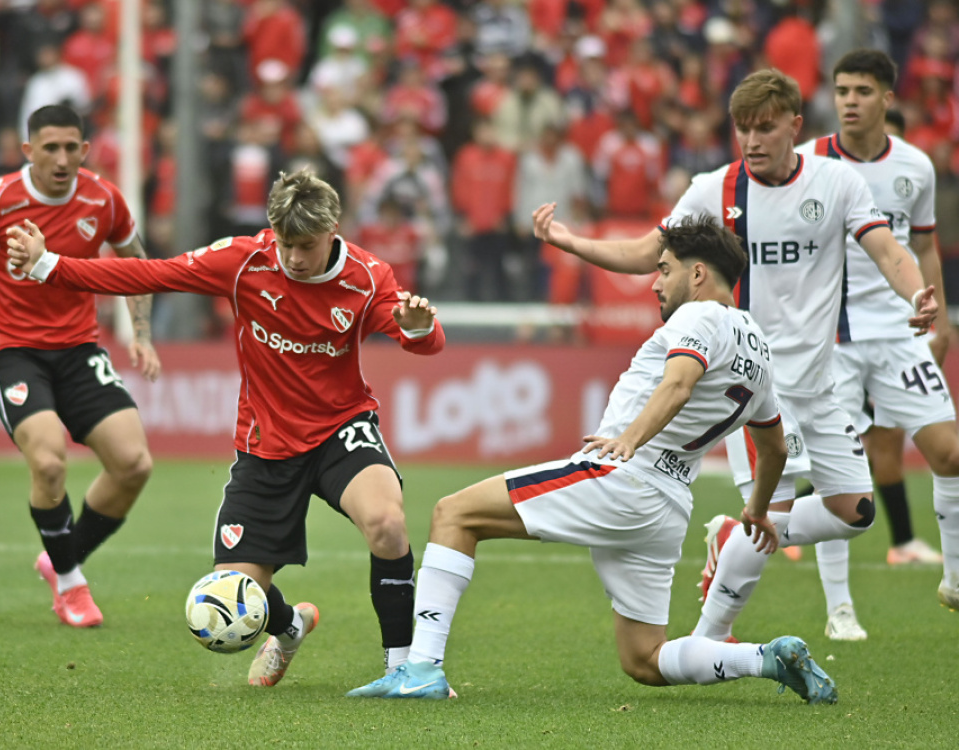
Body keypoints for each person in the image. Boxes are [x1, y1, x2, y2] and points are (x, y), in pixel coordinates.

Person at [346, 215, 837, 705]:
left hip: (625, 478)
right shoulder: (759, 347)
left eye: (665, 269)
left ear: (698, 274)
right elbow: (773, 447)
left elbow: (679, 384)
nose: (656, 283)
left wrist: (629, 439)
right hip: (668, 504)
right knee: (644, 658)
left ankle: (421, 667)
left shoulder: (700, 316)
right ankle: (765, 658)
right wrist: (757, 510)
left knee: (454, 514)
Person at [530, 68, 939, 644]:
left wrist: (916, 294)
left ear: (794, 126)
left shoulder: (836, 182)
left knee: (854, 513)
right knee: (770, 514)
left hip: (819, 383)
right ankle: (709, 636)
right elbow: (648, 252)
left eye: (765, 128)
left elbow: (889, 251)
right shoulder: (714, 188)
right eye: (743, 128)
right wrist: (572, 242)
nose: (752, 140)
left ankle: (728, 535)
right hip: (755, 382)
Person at [6, 167, 445, 687]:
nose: (294, 257)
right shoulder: (243, 262)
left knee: (387, 523)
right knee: (228, 596)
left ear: (333, 231)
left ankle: (404, 670)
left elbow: (421, 337)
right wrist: (48, 265)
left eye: (306, 245)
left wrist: (421, 329)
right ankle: (290, 627)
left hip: (341, 430)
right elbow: (152, 274)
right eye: (285, 243)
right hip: (266, 446)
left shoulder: (367, 276)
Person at [0, 105, 159, 629]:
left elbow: (137, 265)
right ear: (29, 151)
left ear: (85, 150)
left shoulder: (104, 198)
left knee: (134, 464)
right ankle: (71, 583)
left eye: (72, 147)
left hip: (78, 349)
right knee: (48, 464)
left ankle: (59, 558)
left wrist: (140, 334)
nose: (62, 159)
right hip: (9, 347)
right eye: (51, 148)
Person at [801, 50, 958, 617]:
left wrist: (938, 316)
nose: (849, 101)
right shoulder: (807, 161)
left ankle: (955, 580)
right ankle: (839, 611)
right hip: (832, 341)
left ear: (886, 99)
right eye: (842, 90)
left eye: (862, 91)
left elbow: (922, 246)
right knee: (838, 477)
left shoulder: (915, 166)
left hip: (898, 333)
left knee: (949, 453)